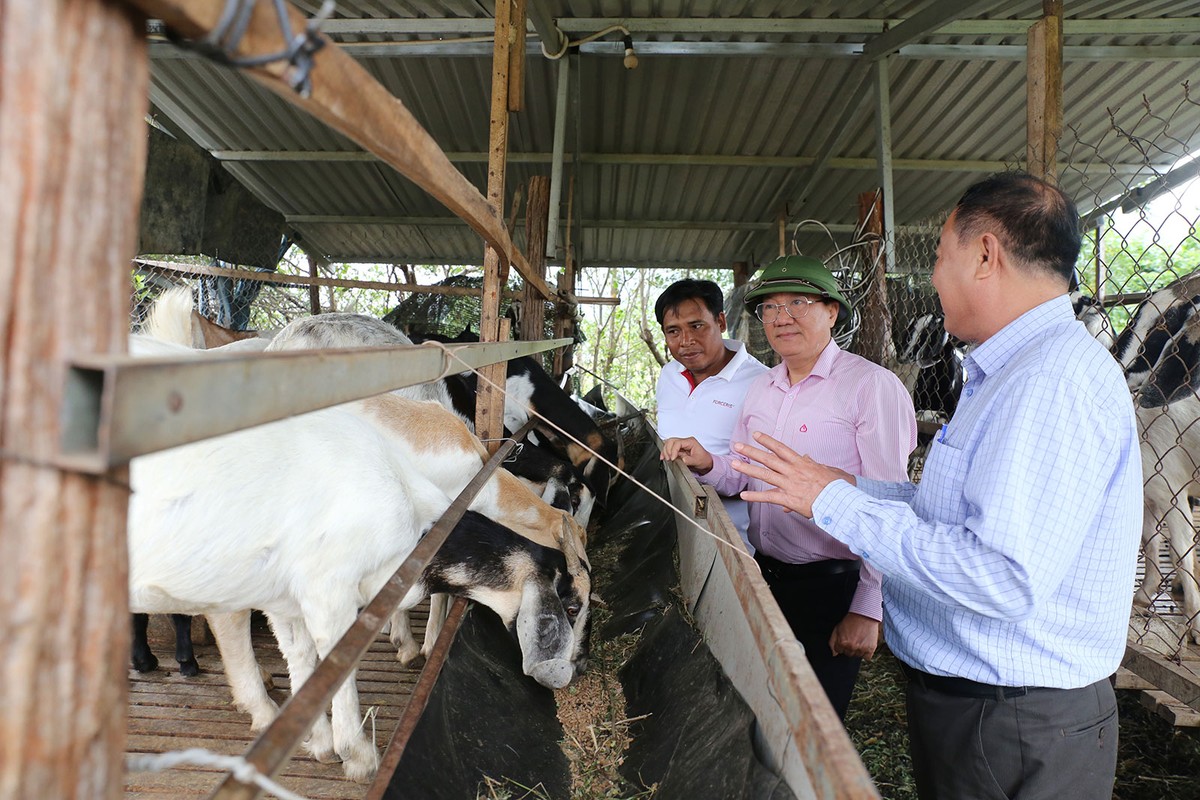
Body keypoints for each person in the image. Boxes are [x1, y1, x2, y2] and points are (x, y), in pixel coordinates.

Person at [732, 172, 1142, 799]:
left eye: (942, 256)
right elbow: (947, 514)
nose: (931, 278)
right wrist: (843, 486)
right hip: (985, 708)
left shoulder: (1049, 383)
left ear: (986, 256)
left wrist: (834, 503)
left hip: (1014, 719)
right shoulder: (1006, 373)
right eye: (770, 308)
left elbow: (1002, 574)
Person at [661, 257, 916, 719]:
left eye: (798, 302)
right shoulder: (763, 388)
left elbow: (889, 503)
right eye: (770, 308)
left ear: (832, 311)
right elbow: (741, 474)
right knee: (769, 700)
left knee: (815, 719)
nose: (782, 317)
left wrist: (868, 606)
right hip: (767, 574)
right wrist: (705, 462)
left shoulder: (871, 387)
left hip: (834, 585)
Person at [654, 279, 768, 550]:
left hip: (728, 542)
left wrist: (707, 463)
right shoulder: (670, 375)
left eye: (696, 326)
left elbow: (760, 475)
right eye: (673, 331)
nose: (686, 342)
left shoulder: (761, 383)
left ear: (720, 321)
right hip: (672, 526)